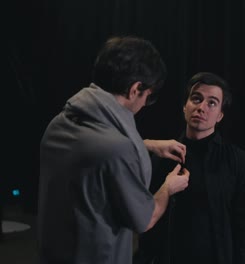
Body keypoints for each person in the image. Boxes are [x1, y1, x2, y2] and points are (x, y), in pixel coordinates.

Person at [37, 36, 190, 264]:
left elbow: (90, 153)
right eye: (148, 96)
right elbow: (144, 219)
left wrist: (145, 144)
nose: (144, 104)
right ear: (135, 89)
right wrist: (168, 188)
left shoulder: (58, 124)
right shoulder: (118, 149)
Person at [133, 72, 245, 264]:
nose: (201, 108)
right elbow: (145, 219)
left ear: (220, 115)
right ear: (185, 107)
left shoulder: (239, 161)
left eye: (212, 103)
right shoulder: (161, 155)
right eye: (196, 99)